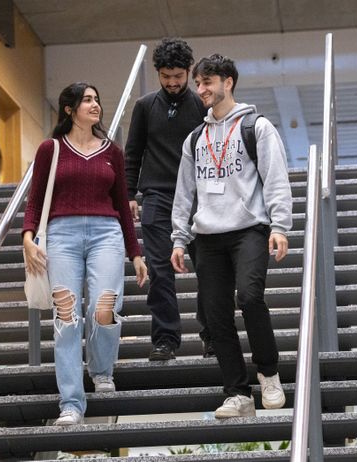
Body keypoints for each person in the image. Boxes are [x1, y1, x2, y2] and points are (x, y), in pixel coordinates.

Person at [170, 54, 292, 418]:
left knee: (250, 297)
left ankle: (268, 373)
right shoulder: (196, 138)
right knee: (216, 315)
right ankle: (237, 392)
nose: (202, 89)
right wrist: (179, 237)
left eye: (208, 82)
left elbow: (275, 178)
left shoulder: (257, 127)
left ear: (228, 82)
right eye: (199, 83)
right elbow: (184, 192)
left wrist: (280, 226)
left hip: (249, 230)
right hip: (207, 236)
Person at [23, 82, 148, 426]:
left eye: (96, 99)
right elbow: (35, 199)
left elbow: (123, 205)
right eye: (87, 100)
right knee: (66, 317)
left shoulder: (112, 151)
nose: (95, 105)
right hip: (62, 235)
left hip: (106, 234)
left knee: (104, 307)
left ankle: (102, 370)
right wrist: (27, 237)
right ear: (69, 109)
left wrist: (135, 253)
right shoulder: (51, 149)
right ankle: (71, 404)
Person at [124, 37, 210, 361]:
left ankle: (212, 336)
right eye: (166, 77)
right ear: (158, 73)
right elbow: (132, 153)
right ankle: (165, 339)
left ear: (189, 71)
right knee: (159, 269)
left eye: (178, 76)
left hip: (201, 197)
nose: (173, 83)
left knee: (209, 268)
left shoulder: (203, 105)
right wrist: (130, 193)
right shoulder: (145, 106)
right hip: (157, 195)